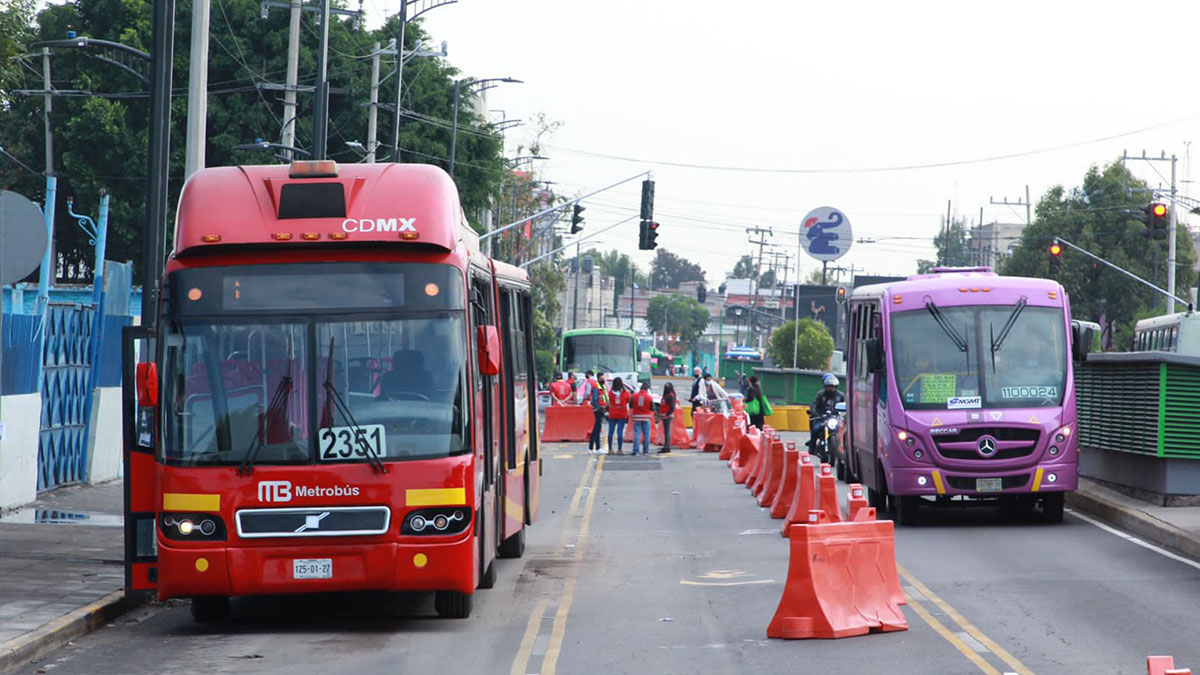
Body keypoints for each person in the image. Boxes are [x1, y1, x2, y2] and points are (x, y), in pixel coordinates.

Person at [809, 373, 846, 451]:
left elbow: (845, 406)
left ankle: (845, 449)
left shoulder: (841, 396)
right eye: (829, 387)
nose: (831, 389)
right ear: (825, 386)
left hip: (836, 418)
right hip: (822, 418)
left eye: (833, 387)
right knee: (815, 429)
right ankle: (811, 447)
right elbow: (814, 404)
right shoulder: (820, 395)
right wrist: (814, 412)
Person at [606, 377, 630, 454]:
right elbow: (629, 401)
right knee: (620, 432)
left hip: (612, 414)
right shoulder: (625, 393)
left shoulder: (610, 393)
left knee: (610, 432)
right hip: (622, 415)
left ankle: (610, 449)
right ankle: (619, 449)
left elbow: (608, 402)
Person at [630, 382, 654, 456]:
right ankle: (645, 451)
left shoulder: (634, 396)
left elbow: (631, 405)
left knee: (637, 434)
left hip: (636, 417)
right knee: (646, 434)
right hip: (646, 417)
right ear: (647, 389)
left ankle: (636, 451)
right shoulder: (649, 397)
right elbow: (652, 408)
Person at [587, 372, 609, 454]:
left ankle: (592, 448)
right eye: (602, 378)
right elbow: (594, 401)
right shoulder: (596, 388)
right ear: (599, 378)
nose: (603, 380)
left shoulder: (603, 387)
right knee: (596, 429)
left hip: (601, 410)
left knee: (596, 429)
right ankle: (596, 448)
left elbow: (605, 399)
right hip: (597, 411)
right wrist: (600, 408)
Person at [657, 382, 677, 454]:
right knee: (666, 431)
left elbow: (672, 407)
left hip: (667, 416)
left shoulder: (670, 396)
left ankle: (667, 446)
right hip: (664, 416)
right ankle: (666, 446)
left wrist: (667, 414)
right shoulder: (666, 395)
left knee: (667, 431)